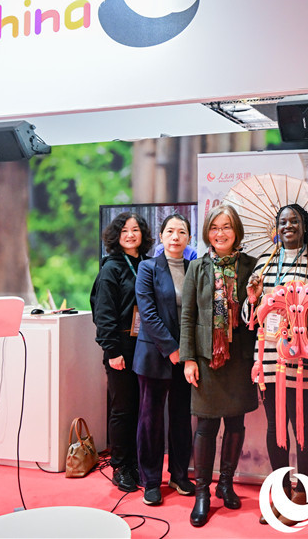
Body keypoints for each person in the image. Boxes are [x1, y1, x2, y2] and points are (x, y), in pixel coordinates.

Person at [246, 204, 308, 526]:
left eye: (294, 221)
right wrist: (253, 297)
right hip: (268, 354)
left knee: (302, 423)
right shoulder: (264, 263)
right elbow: (252, 318)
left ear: (304, 226)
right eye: (283, 222)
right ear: (276, 228)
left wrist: (302, 313)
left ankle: (303, 493)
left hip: (303, 354)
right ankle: (281, 491)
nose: (288, 226)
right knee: (274, 425)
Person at [179, 204, 258, 527]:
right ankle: (202, 493)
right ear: (207, 232)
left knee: (236, 424)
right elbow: (188, 316)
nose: (220, 233)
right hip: (207, 357)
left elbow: (257, 318)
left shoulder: (252, 266)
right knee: (206, 426)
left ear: (236, 231)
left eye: (226, 227)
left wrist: (254, 298)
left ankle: (226, 483)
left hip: (239, 358)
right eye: (214, 227)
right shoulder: (197, 268)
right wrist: (188, 358)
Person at [134, 214, 195, 506]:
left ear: (189, 238)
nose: (175, 237)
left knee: (182, 418)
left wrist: (187, 352)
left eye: (181, 232)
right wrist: (172, 349)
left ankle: (179, 474)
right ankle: (150, 480)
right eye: (170, 231)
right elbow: (147, 313)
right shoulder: (147, 268)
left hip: (187, 357)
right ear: (161, 236)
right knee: (151, 420)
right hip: (155, 355)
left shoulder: (194, 268)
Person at [90, 212, 154, 493]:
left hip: (146, 346)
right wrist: (113, 350)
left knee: (142, 408)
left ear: (143, 235)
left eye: (135, 229)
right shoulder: (111, 268)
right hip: (121, 348)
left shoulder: (147, 265)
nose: (130, 235)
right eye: (125, 230)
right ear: (116, 236)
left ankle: (136, 463)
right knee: (122, 409)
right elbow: (103, 313)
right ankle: (120, 467)